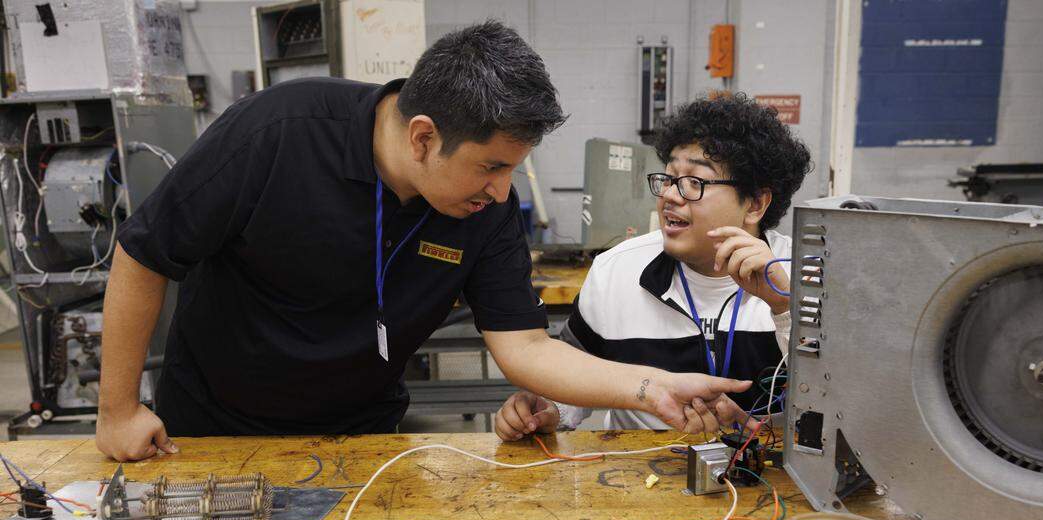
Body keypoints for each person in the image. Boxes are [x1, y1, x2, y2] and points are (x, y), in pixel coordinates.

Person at [95, 21, 755, 462]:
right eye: (491, 167)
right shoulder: (278, 133)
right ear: (421, 137)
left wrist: (650, 387)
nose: (502, 192)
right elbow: (145, 251)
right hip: (213, 428)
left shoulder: (486, 208)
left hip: (362, 433)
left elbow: (524, 347)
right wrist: (117, 410)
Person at [494, 93, 811, 441]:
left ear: (755, 204)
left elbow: (838, 397)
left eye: (695, 183)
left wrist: (784, 307)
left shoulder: (805, 277)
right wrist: (547, 408)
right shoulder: (616, 270)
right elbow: (572, 375)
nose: (671, 196)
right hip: (639, 478)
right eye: (670, 178)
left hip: (769, 478)